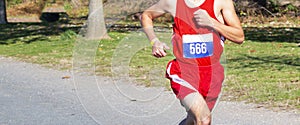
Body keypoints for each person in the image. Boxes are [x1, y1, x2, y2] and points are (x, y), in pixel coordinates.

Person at [140, 0, 244, 124]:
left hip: (212, 75)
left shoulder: (221, 2)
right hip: (184, 72)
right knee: (204, 119)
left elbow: (239, 37)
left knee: (194, 120)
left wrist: (213, 23)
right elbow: (146, 15)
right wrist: (154, 41)